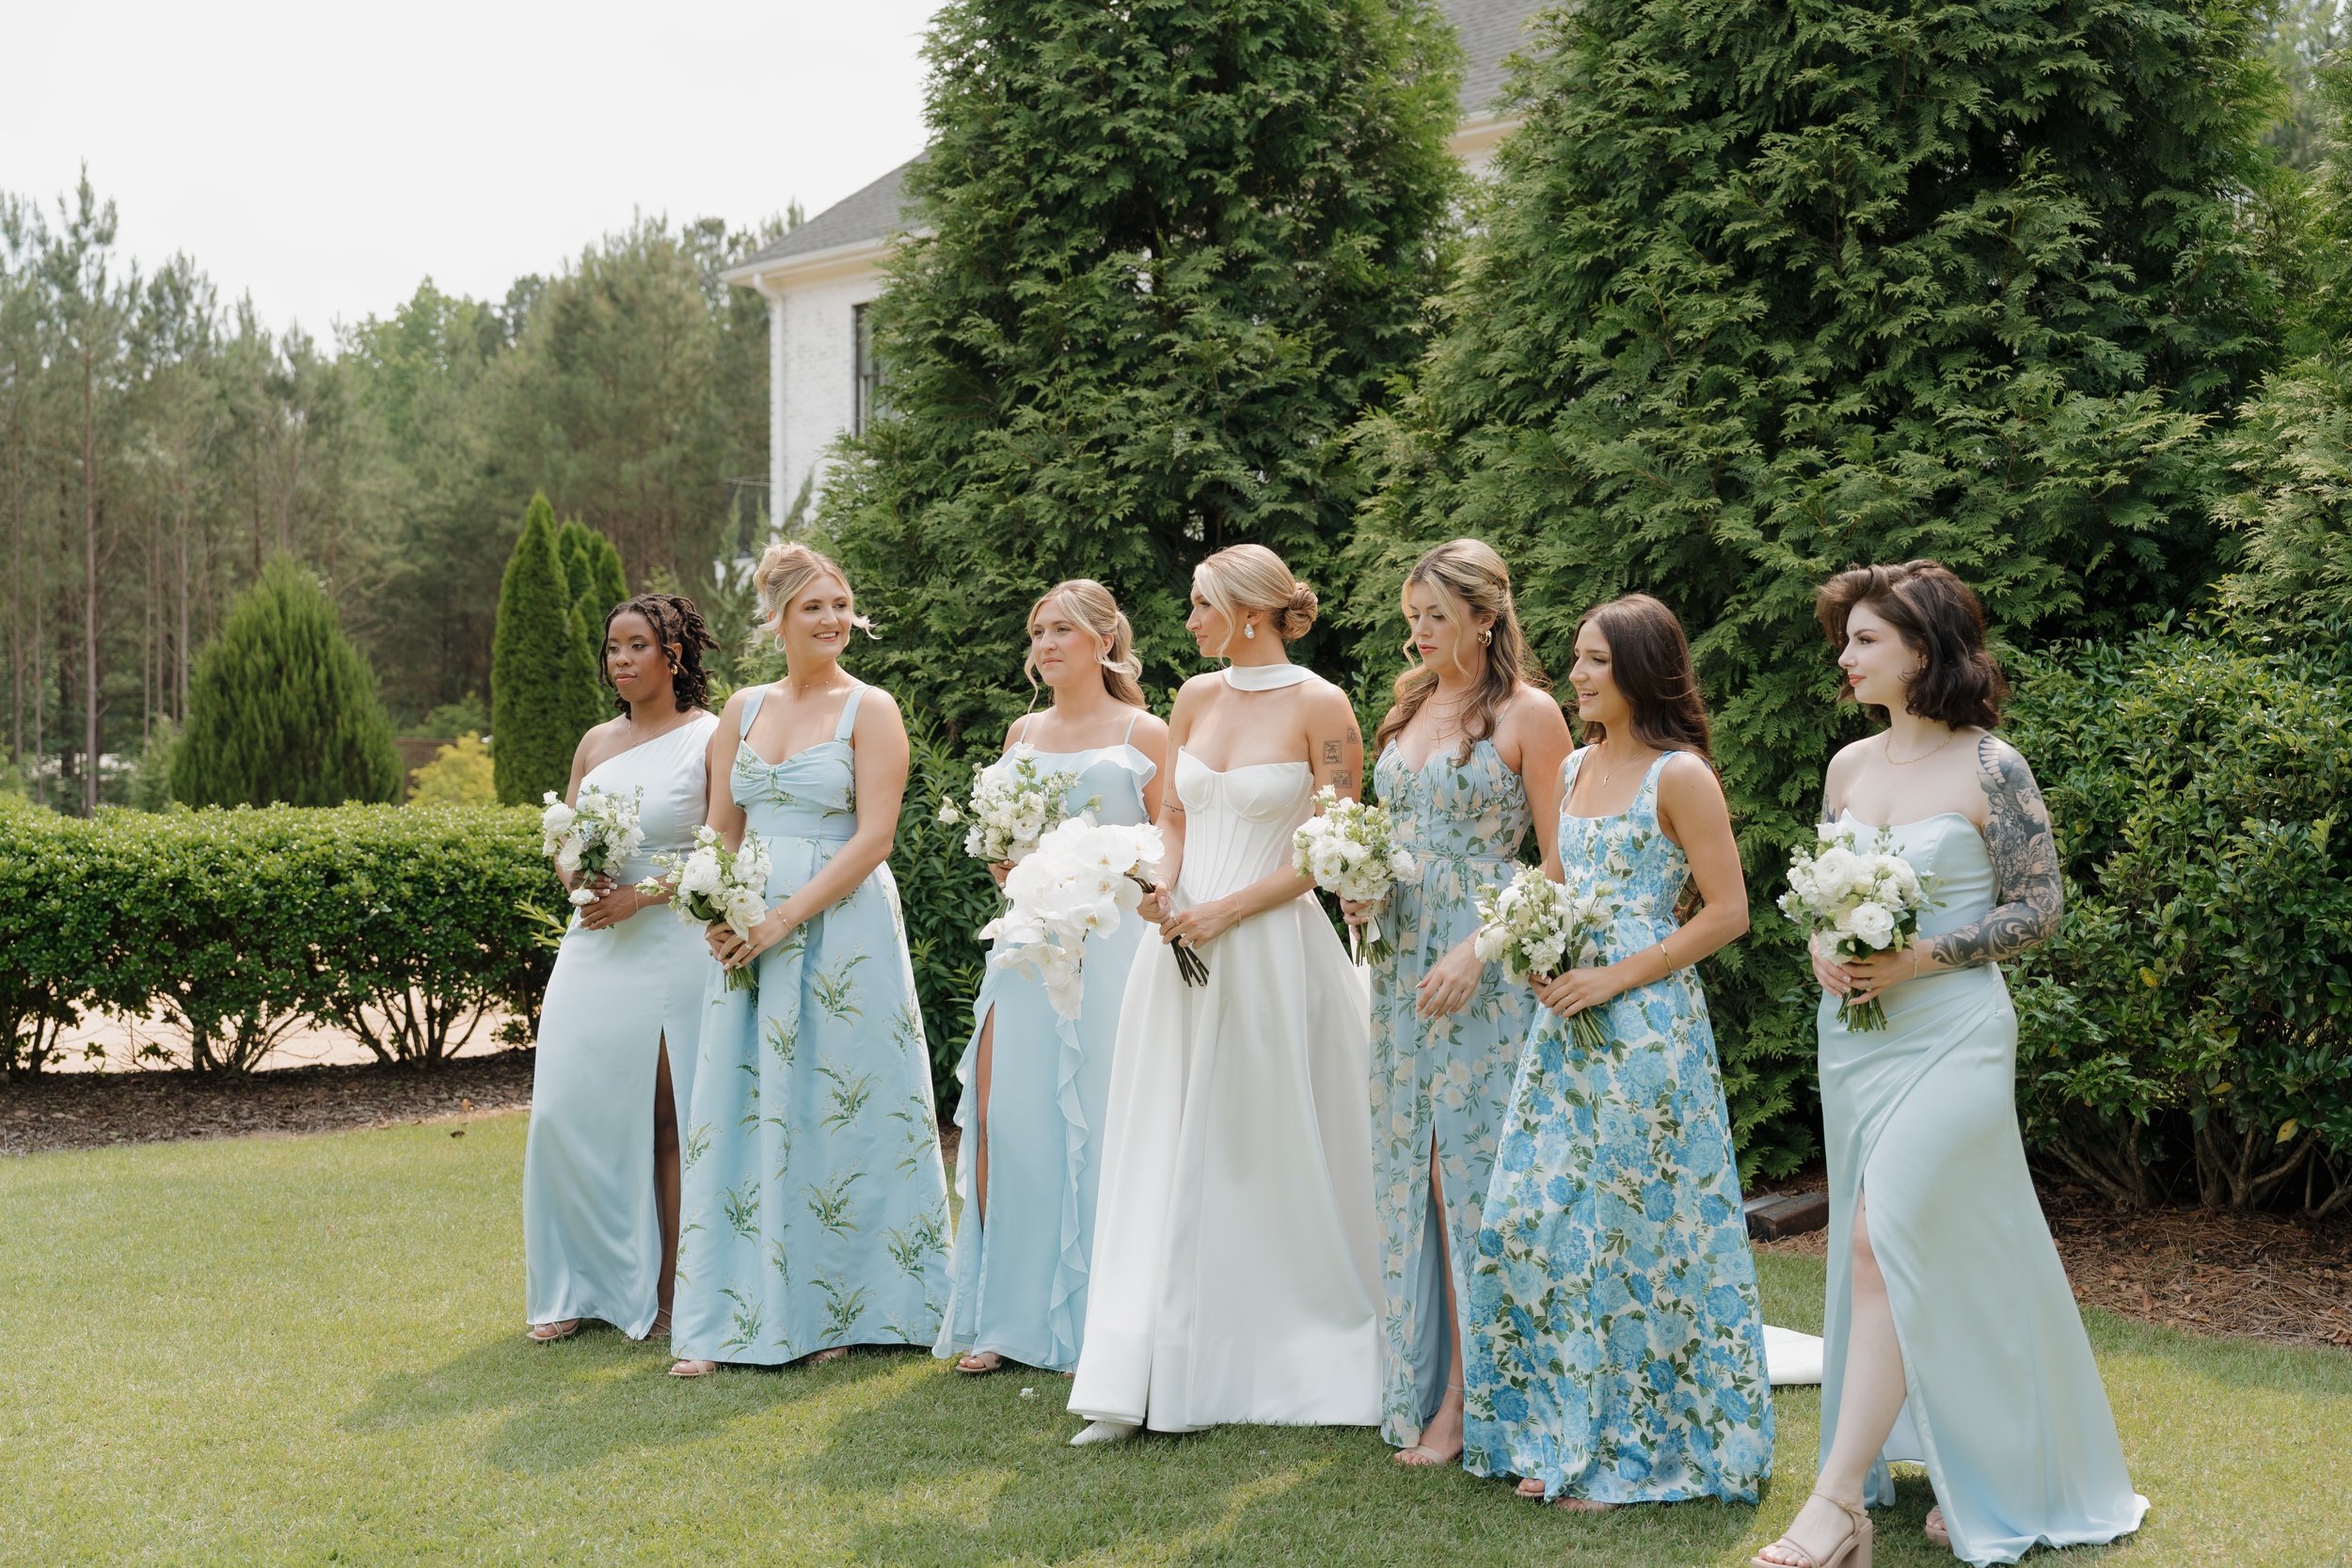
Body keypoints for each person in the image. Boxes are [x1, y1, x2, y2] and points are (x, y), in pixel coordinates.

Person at [1754, 561, 2146, 1568]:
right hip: (1857, 1038)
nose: (1845, 658)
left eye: (1865, 640)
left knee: (1879, 1238)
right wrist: (1823, 946)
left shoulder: (1991, 765)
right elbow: (1823, 894)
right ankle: (1972, 1454)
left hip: (1956, 1033)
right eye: (1845, 640)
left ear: (1922, 649)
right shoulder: (1848, 767)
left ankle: (1834, 1501)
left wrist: (1918, 956)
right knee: (1910, 1249)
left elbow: (2040, 907)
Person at [1462, 594, 1774, 1508]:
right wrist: (1535, 947)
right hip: (1564, 1025)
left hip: (1646, 1028)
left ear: (1641, 667)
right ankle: (1556, 1427)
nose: (1577, 673)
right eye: (1577, 657)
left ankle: (1636, 1451)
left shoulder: (1681, 776)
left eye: (1595, 659)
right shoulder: (1574, 767)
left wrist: (1614, 977)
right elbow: (1556, 884)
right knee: (1539, 1219)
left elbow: (1728, 912)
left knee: (1630, 1237)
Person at [1066, 543, 1380, 1443]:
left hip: (1273, 950)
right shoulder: (1195, 698)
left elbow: (1334, 847)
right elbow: (1173, 814)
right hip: (1178, 944)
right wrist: (1164, 884)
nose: (1190, 619)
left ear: (1248, 611)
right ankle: (1143, 1364)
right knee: (1161, 1139)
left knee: (1259, 1142)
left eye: (1201, 603)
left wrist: (1227, 910)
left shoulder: (1323, 705)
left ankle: (1274, 1348)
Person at [668, 545, 952, 1376]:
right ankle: (730, 1313)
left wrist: (784, 918)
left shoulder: (872, 708)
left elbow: (875, 837)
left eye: (840, 604)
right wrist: (716, 911)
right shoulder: (742, 708)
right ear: (777, 618)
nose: (833, 620)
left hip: (841, 927)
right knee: (746, 1105)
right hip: (747, 927)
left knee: (840, 1103)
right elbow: (722, 827)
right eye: (814, 607)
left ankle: (845, 1305)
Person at [1349, 540, 1570, 1465]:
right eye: (1412, 616)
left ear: (1486, 617)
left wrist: (1481, 946)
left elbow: (1560, 861)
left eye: (1436, 615)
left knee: (1474, 1170)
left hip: (1483, 967)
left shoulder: (1530, 714)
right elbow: (1390, 830)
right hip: (1401, 962)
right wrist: (1361, 886)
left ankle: (1479, 1395)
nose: (1420, 632)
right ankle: (1432, 1376)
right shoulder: (1407, 705)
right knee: (1414, 1168)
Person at [935, 580, 1168, 1375]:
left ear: (1105, 640)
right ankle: (1007, 1318)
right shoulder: (1023, 732)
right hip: (1028, 945)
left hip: (1111, 948)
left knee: (1101, 1121)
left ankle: (1101, 1319)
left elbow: (1172, 844)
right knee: (1009, 1118)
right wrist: (1005, 862)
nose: (1046, 644)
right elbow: (1003, 841)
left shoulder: (1145, 732)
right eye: (1037, 632)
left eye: (1062, 629)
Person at [522, 594, 722, 1343]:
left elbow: (721, 847)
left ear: (674, 653)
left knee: (664, 1120)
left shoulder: (711, 736)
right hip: (594, 945)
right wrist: (582, 877)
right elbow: (565, 843)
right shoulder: (595, 742)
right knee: (563, 1111)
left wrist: (642, 894)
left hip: (670, 943)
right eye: (613, 647)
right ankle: (576, 1285)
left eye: (637, 645)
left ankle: (669, 1293)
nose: (622, 659)